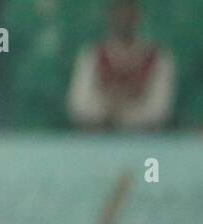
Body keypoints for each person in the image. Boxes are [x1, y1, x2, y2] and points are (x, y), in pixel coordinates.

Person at [67, 0, 176, 131]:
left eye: (129, 13)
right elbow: (79, 105)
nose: (124, 19)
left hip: (144, 141)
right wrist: (107, 111)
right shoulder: (92, 56)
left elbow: (160, 110)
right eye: (118, 13)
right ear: (109, 16)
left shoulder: (159, 58)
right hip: (97, 140)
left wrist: (124, 114)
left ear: (138, 17)